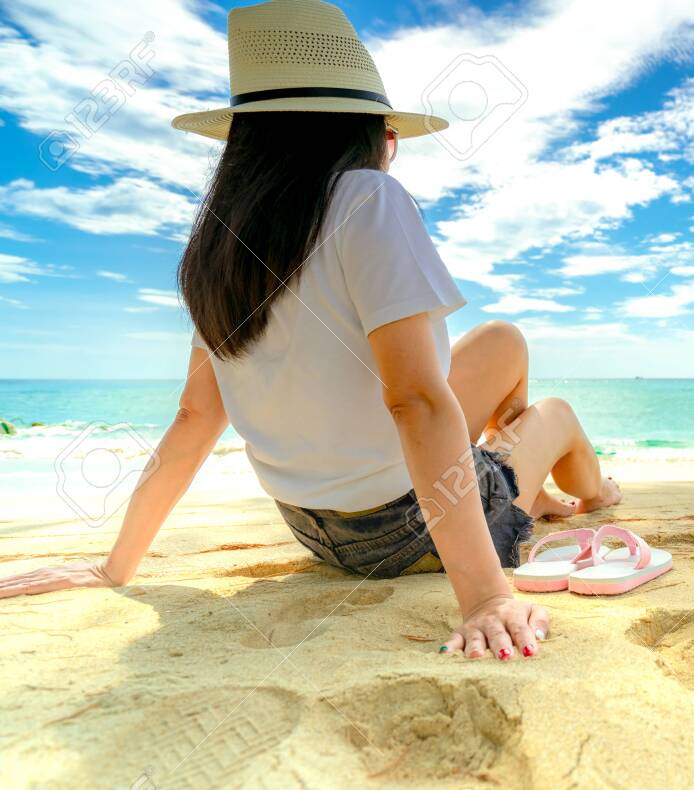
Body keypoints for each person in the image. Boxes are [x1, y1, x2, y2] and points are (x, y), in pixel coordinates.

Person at [0, 0, 622, 662]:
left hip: (314, 532)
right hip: (408, 531)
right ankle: (591, 493)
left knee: (503, 342)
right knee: (554, 413)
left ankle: (534, 495)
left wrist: (115, 566)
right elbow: (413, 401)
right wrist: (486, 598)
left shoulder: (223, 244)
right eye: (387, 134)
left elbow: (193, 419)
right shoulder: (369, 199)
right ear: (366, 135)